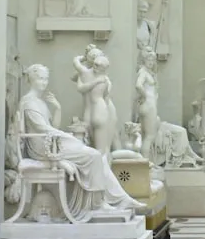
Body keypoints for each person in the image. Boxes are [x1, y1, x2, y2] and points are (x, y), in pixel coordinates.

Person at [18, 64, 141, 219]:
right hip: (43, 148)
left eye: (46, 79)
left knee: (98, 156)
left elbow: (51, 127)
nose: (44, 82)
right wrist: (66, 136)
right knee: (94, 156)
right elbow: (42, 128)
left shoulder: (40, 101)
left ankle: (120, 199)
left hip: (51, 142)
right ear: (31, 79)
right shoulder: (29, 102)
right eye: (41, 79)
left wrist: (57, 108)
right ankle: (98, 204)